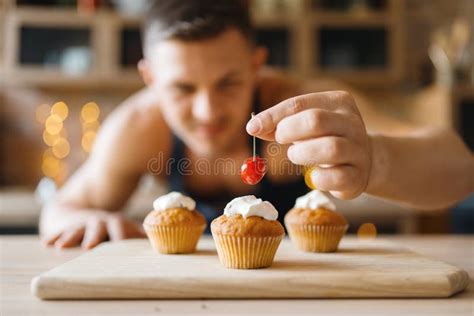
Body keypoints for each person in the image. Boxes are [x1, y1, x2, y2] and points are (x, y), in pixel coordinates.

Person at [40, 0, 474, 249]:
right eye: (183, 89)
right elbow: (59, 210)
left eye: (228, 83)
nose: (208, 111)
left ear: (256, 66)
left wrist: (377, 160)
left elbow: (459, 168)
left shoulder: (304, 104)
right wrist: (88, 222)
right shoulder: (138, 126)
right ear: (150, 79)